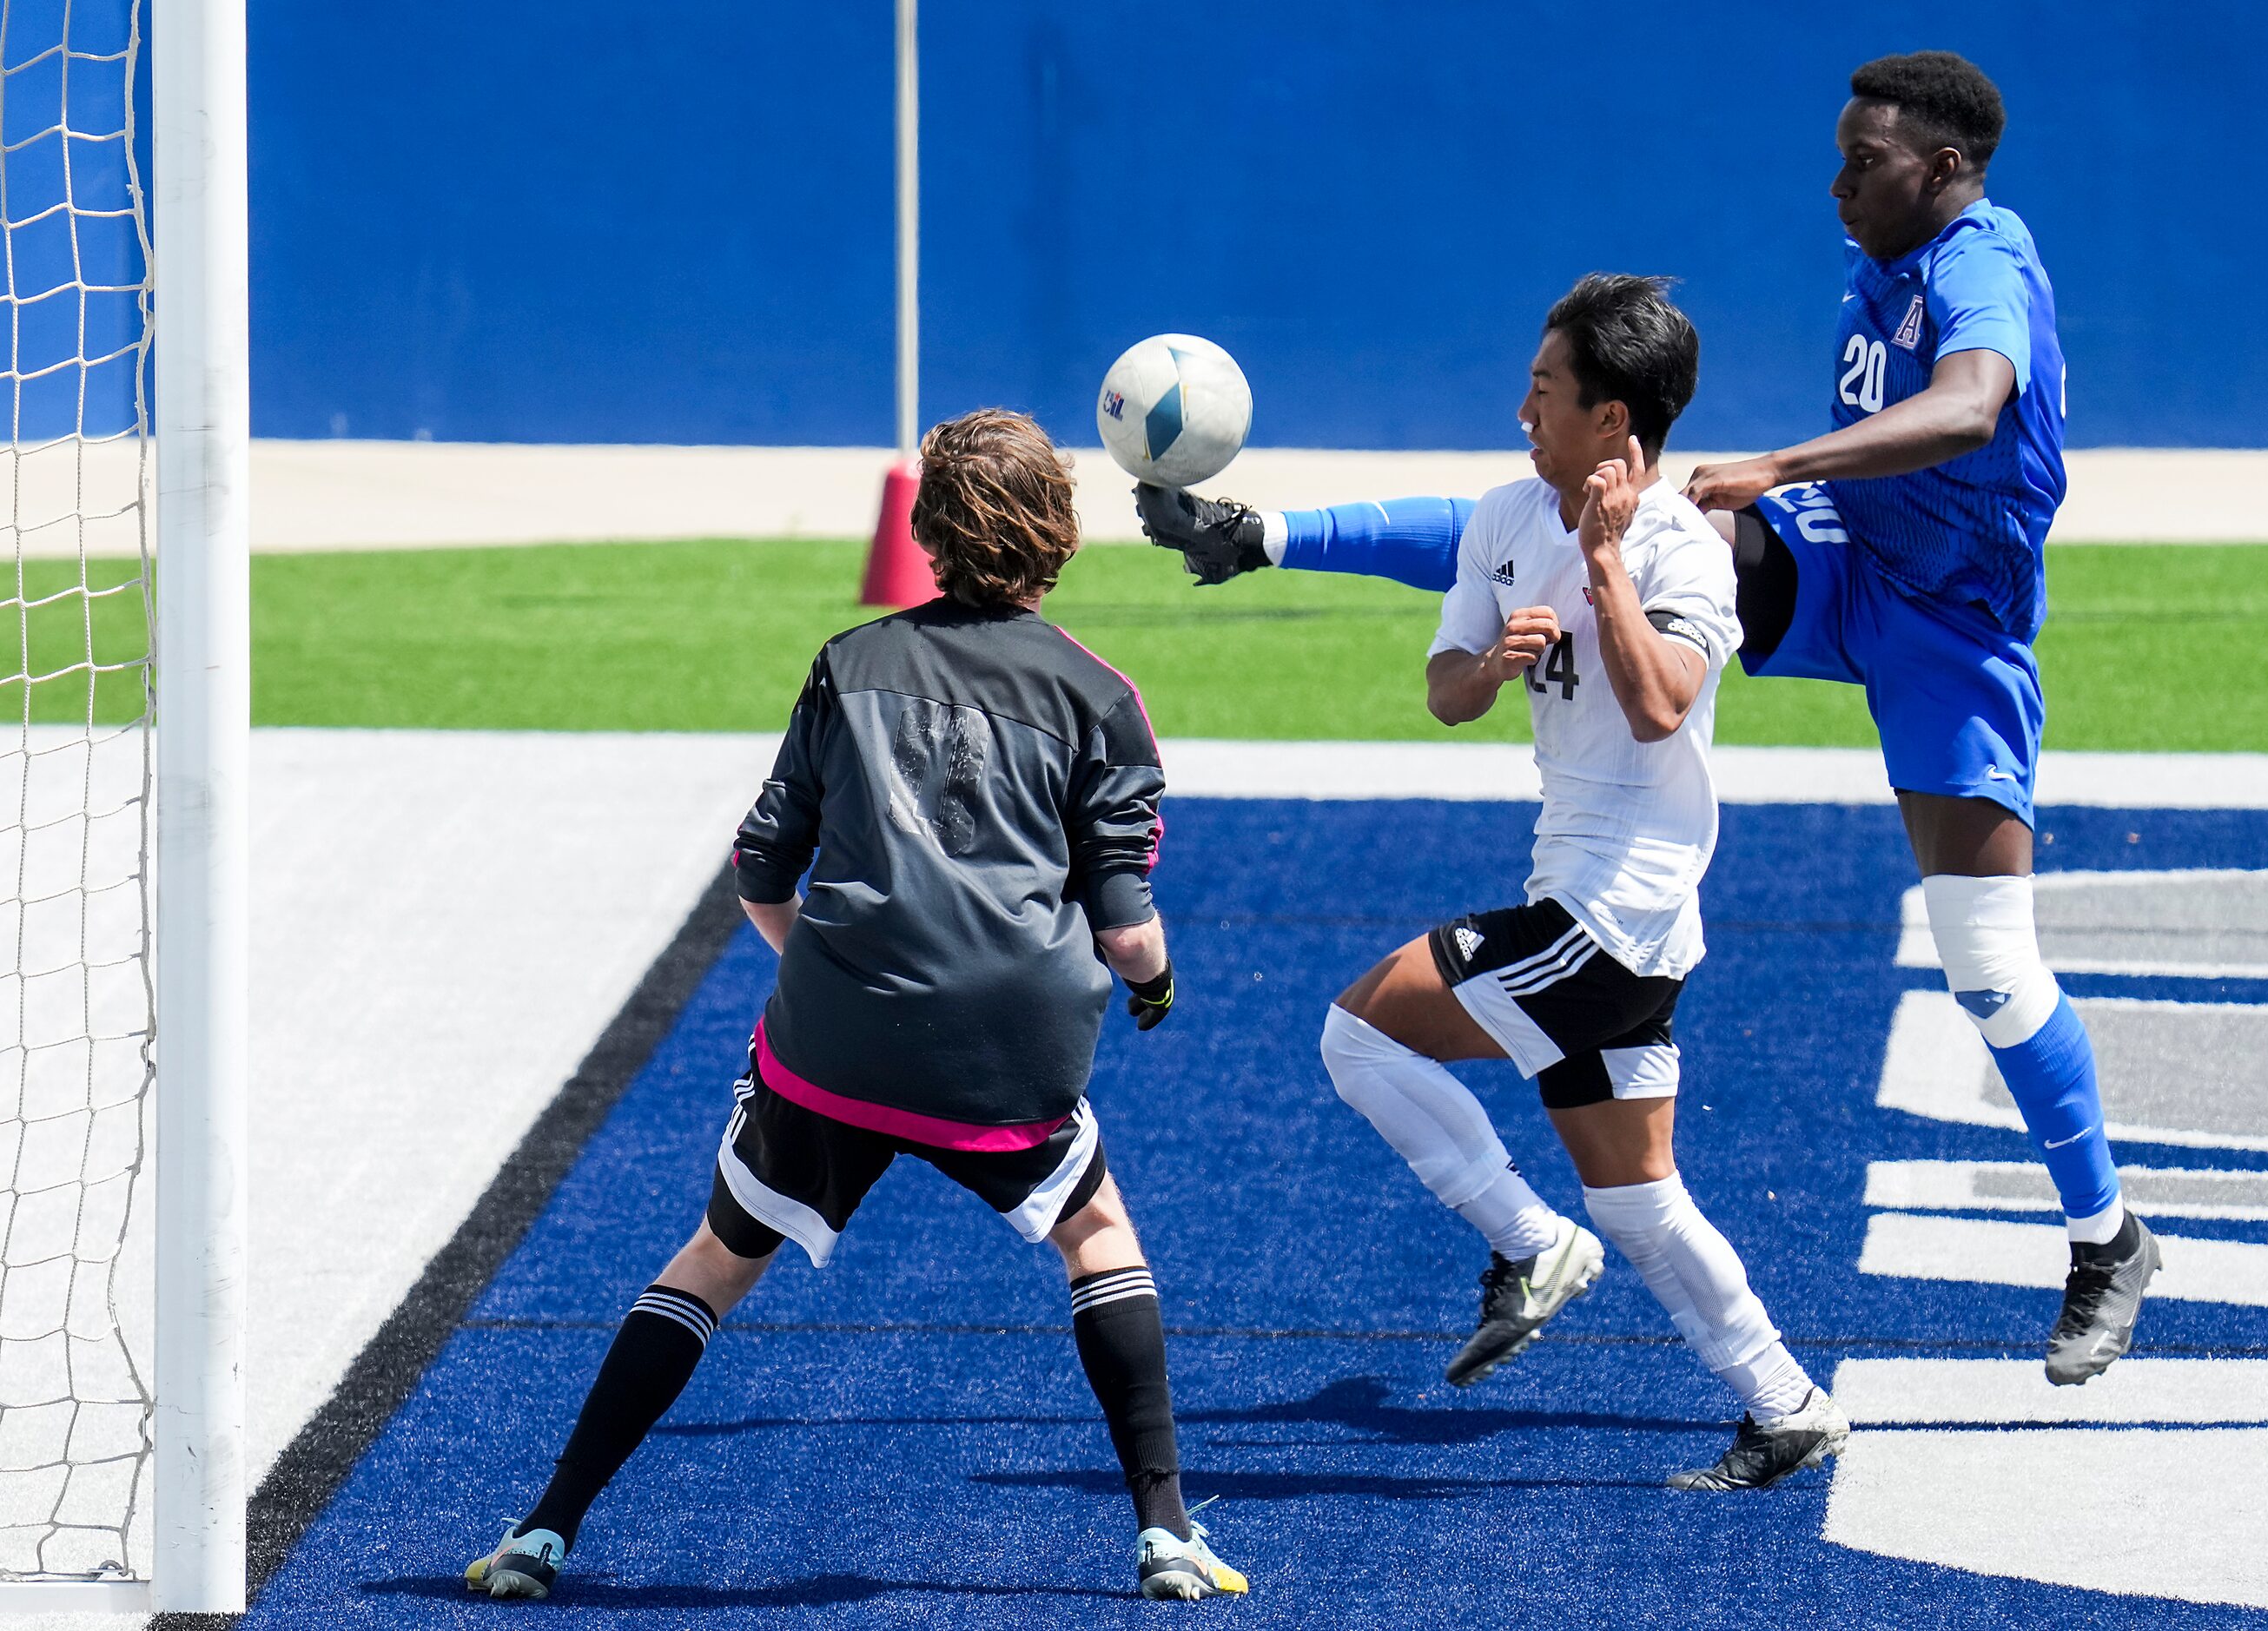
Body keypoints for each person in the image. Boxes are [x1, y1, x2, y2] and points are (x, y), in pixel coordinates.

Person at [1144, 52, 2158, 1387]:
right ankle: (1273, 532)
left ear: (1948, 170)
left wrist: (1781, 464)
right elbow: (1522, 531)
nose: (1839, 177)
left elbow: (1971, 404)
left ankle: (2103, 1235)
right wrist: (1272, 532)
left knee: (1987, 967)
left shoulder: (1978, 261)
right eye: (1842, 150)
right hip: (1849, 559)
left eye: (1868, 158)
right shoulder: (1888, 259)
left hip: (1949, 630)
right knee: (1585, 520)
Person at [466, 409, 1247, 1603]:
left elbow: (761, 870)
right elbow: (1127, 931)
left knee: (719, 1256)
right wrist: (1153, 988)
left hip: (830, 1043)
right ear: (1061, 535)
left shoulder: (848, 661)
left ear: (929, 532)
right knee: (1098, 1236)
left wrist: (820, 970)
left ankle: (544, 1528)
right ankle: (1165, 1535)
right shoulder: (1101, 695)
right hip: (1008, 1051)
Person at [1320, 273, 1848, 1490]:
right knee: (1643, 1203)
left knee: (1356, 1033)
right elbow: (1444, 690)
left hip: (1613, 914)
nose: (1522, 409)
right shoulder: (1506, 516)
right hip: (1589, 898)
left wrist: (1604, 562)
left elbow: (1661, 705)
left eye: (1546, 391)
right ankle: (1786, 1404)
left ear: (1614, 420)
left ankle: (1526, 1240)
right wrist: (1490, 667)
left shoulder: (1679, 550)